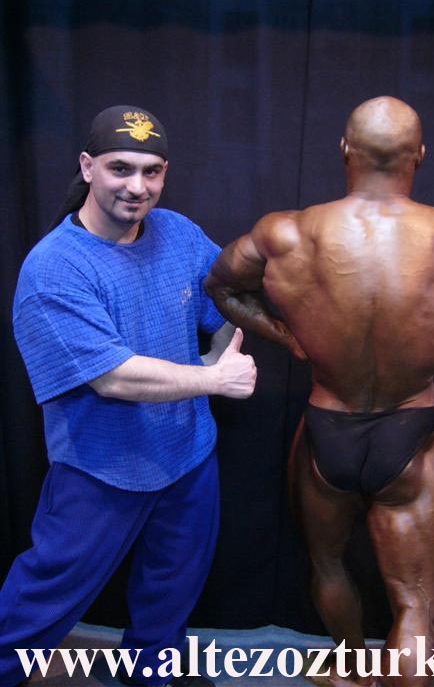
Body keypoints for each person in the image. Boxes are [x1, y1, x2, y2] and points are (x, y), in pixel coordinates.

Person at [204, 97, 434, 687]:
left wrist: (286, 336)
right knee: (415, 602)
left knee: (327, 564)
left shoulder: (286, 233)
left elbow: (223, 286)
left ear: (345, 150)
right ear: (420, 154)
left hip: (326, 429)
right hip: (409, 430)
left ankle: (348, 666)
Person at [1, 105, 256, 687]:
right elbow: (112, 377)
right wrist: (215, 379)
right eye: (121, 168)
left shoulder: (178, 232)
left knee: (171, 590)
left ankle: (150, 676)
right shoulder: (54, 268)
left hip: (187, 455)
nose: (137, 187)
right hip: (100, 469)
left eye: (152, 171)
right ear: (87, 166)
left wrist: (227, 344)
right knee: (43, 598)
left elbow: (225, 303)